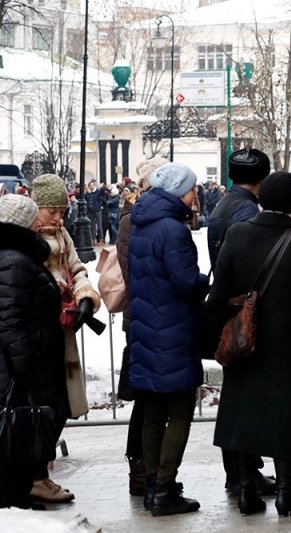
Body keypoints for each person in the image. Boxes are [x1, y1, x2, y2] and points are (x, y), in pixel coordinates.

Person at [207, 171, 291, 516]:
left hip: (243, 345)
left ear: (261, 200)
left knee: (242, 415)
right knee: (285, 419)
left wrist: (224, 336)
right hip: (287, 350)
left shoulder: (237, 234)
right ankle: (284, 493)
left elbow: (218, 295)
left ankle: (247, 490)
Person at [128, 163, 209, 516]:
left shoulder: (141, 225)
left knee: (151, 413)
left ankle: (151, 489)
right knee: (178, 412)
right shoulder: (172, 231)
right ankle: (164, 488)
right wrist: (205, 280)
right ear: (179, 191)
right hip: (173, 330)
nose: (195, 196)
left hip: (146, 329)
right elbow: (185, 282)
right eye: (192, 189)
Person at [206, 148, 278, 496]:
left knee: (237, 396)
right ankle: (243, 473)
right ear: (261, 179)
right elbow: (244, 262)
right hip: (242, 310)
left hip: (229, 307)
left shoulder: (223, 204)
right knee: (245, 399)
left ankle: (240, 472)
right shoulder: (246, 210)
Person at [31, 174, 101, 504]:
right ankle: (35, 469)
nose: (59, 217)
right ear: (37, 207)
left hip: (63, 328)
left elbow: (77, 267)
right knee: (41, 401)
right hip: (37, 331)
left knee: (60, 401)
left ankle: (41, 463)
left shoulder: (62, 233)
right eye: (53, 211)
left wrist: (86, 295)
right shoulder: (25, 236)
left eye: (63, 211)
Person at [0, 195, 68, 510]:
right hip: (23, 369)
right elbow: (9, 320)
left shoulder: (19, 256)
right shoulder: (14, 259)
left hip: (30, 364)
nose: (40, 223)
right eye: (34, 218)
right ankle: (14, 509)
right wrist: (25, 365)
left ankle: (19, 500)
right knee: (17, 439)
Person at [116, 157, 168, 497]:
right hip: (147, 319)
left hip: (143, 318)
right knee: (148, 400)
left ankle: (145, 468)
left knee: (150, 401)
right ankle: (142, 468)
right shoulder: (134, 222)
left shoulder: (134, 221)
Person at [84, 180, 103, 244]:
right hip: (90, 211)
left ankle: (101, 239)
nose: (91, 186)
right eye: (90, 185)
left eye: (92, 185)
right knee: (92, 226)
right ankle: (93, 240)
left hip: (97, 210)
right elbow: (86, 199)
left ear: (94, 185)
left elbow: (103, 194)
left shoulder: (98, 191)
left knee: (99, 225)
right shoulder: (88, 193)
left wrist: (102, 187)